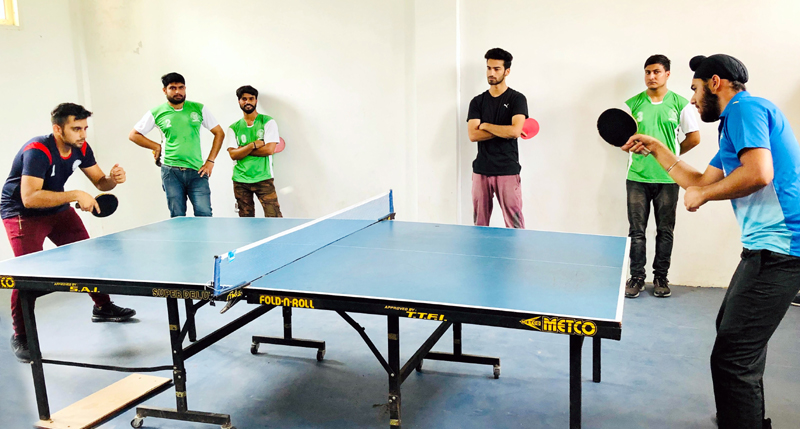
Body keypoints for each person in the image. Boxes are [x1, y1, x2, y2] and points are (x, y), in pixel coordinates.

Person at [622, 54, 800, 429]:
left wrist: (704, 197)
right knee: (735, 339)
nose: (692, 99)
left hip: (782, 249)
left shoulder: (744, 109)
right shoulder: (735, 126)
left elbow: (759, 174)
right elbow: (700, 180)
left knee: (733, 356)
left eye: (695, 90)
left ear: (715, 83)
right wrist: (657, 148)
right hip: (766, 248)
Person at [2, 103, 136, 363]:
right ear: (57, 129)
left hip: (56, 208)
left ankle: (103, 307)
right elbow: (29, 198)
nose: (83, 134)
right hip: (22, 213)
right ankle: (22, 335)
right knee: (27, 275)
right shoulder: (38, 151)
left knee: (87, 256)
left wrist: (112, 179)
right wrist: (75, 194)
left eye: (85, 127)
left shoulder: (81, 147)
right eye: (76, 128)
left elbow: (100, 183)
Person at [624, 55, 701, 298]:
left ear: (667, 74)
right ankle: (636, 277)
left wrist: (670, 157)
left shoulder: (680, 103)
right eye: (647, 72)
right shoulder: (633, 103)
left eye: (656, 72)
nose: (651, 76)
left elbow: (694, 138)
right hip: (637, 177)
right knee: (637, 231)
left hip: (669, 180)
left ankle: (661, 278)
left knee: (665, 231)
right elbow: (623, 139)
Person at [129, 72, 224, 217]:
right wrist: (156, 147)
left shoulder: (198, 108)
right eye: (172, 88)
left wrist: (210, 161)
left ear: (185, 88)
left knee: (204, 213)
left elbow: (219, 133)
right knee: (177, 216)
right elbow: (134, 135)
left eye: (181, 87)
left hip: (197, 171)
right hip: (171, 172)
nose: (178, 92)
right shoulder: (157, 112)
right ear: (164, 90)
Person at [466, 48, 528, 229]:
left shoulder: (517, 99)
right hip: (481, 170)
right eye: (488, 68)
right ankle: (480, 257)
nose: (491, 73)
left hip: (507, 169)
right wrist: (505, 130)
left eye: (496, 69)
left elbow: (516, 131)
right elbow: (473, 135)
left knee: (515, 225)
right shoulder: (477, 102)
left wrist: (485, 125)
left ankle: (517, 257)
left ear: (507, 71)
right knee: (480, 224)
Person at [226, 85, 283, 217]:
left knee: (274, 216)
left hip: (264, 178)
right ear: (239, 101)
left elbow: (269, 149)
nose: (247, 102)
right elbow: (233, 154)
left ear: (256, 101)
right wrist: (252, 145)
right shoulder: (233, 128)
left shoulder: (268, 122)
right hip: (240, 180)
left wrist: (242, 150)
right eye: (244, 99)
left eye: (251, 98)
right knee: (246, 220)